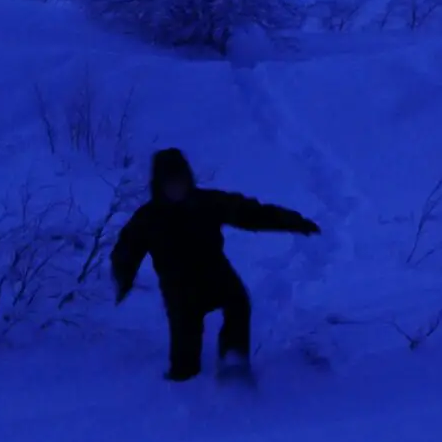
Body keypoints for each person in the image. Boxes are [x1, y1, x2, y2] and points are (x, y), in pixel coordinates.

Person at [110, 147, 321, 382]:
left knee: (238, 303)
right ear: (159, 185)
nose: (176, 188)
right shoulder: (148, 218)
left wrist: (293, 222)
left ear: (188, 178)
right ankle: (182, 388)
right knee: (185, 364)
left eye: (179, 180)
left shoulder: (207, 203)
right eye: (169, 183)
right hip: (179, 291)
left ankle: (233, 360)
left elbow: (251, 213)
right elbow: (126, 251)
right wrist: (123, 278)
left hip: (216, 275)